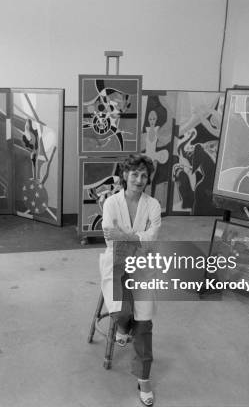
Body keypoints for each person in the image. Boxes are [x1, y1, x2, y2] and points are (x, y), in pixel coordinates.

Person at [99, 154, 162, 406]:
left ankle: (144, 378)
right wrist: (138, 238)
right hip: (115, 263)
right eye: (134, 173)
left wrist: (125, 235)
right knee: (123, 312)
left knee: (144, 322)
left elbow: (152, 238)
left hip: (143, 266)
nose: (139, 179)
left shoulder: (153, 205)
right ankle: (124, 327)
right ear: (125, 175)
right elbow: (110, 239)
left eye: (144, 175)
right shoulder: (111, 203)